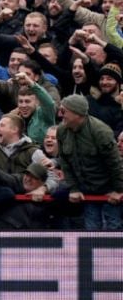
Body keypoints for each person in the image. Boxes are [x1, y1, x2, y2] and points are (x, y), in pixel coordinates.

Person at [57, 94, 123, 229]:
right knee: (91, 230)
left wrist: (119, 189)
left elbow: (115, 163)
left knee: (113, 228)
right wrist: (73, 188)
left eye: (64, 111)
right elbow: (65, 163)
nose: (60, 115)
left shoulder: (100, 131)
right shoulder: (62, 131)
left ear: (77, 113)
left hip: (109, 189)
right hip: (86, 190)